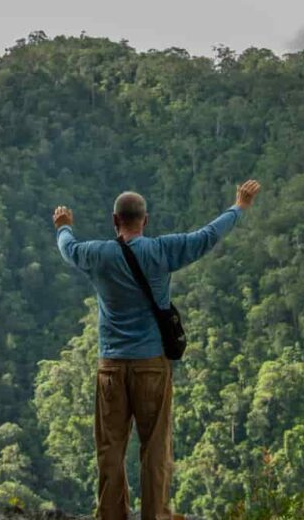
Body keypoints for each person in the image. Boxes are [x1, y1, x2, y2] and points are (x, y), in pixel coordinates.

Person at [52, 180, 262, 520]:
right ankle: (155, 514)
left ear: (114, 220)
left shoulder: (98, 255)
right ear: (145, 220)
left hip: (111, 367)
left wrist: (63, 226)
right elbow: (207, 235)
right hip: (151, 364)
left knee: (110, 448)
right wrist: (240, 207)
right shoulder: (162, 251)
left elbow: (68, 248)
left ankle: (112, 514)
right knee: (154, 448)